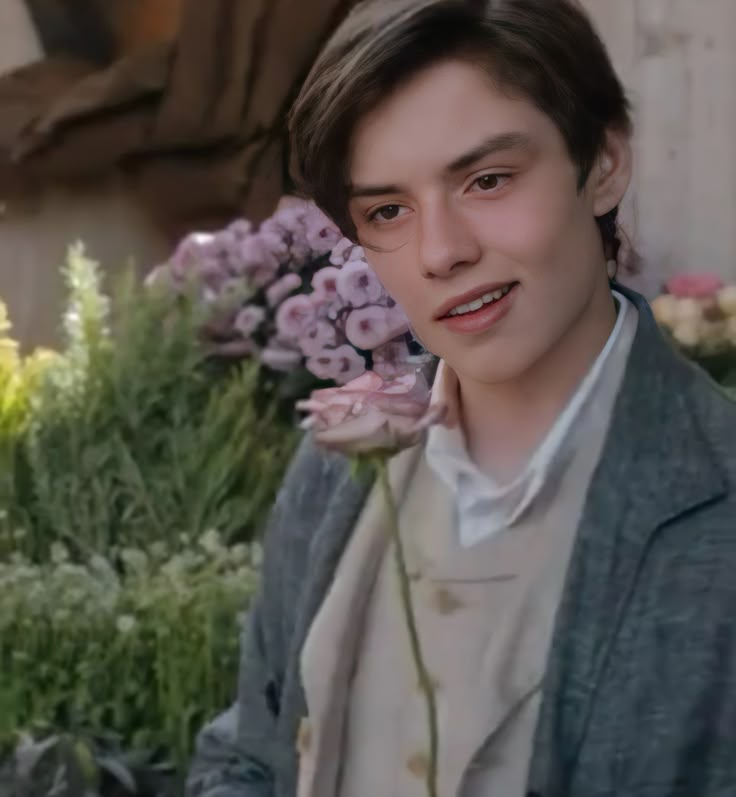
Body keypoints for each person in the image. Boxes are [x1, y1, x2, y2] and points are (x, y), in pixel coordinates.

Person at [187, 1, 736, 795]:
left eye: (487, 180)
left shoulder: (715, 493)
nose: (442, 251)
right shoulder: (340, 460)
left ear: (605, 163)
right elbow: (250, 754)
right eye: (388, 211)